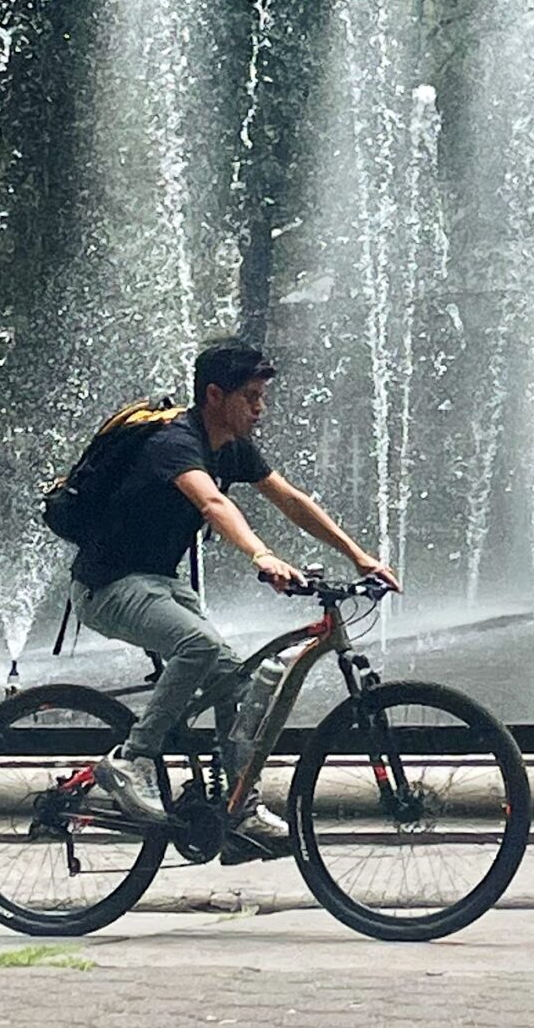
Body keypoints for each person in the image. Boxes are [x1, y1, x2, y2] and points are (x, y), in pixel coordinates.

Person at [73, 338, 398, 838]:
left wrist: (360, 557)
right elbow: (214, 505)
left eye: (261, 396)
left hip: (159, 582)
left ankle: (238, 811)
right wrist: (262, 555)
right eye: (250, 396)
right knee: (198, 645)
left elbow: (290, 499)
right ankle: (132, 760)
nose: (259, 407)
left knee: (234, 681)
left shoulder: (232, 447)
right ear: (214, 396)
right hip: (108, 586)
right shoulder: (175, 443)